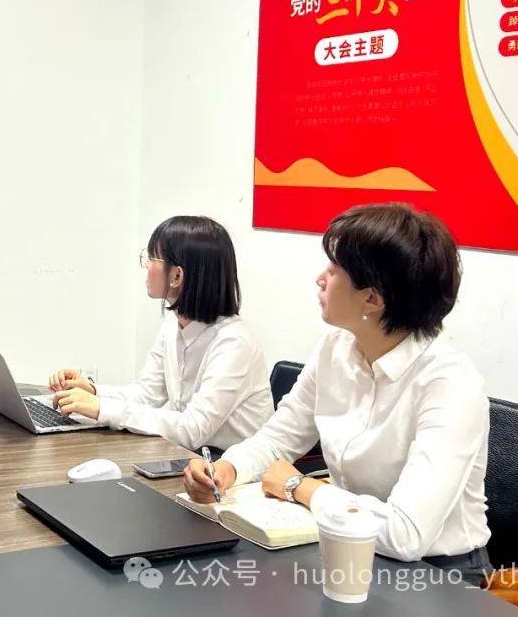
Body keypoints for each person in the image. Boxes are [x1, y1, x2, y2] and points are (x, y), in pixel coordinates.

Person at [183, 203, 491, 584]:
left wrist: (298, 486)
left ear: (372, 300)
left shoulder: (450, 383)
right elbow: (279, 438)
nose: (320, 278)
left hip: (439, 575)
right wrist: (228, 469)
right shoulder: (335, 349)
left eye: (333, 269)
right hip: (346, 548)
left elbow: (406, 533)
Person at [49, 216, 272, 451]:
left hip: (230, 465)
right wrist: (93, 392)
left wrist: (102, 409)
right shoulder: (173, 323)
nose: (146, 265)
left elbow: (193, 429)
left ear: (176, 276)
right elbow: (147, 394)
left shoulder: (234, 343)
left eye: (152, 257)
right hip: (193, 457)